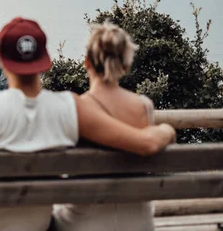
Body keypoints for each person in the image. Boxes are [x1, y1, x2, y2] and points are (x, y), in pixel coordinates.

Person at [0, 17, 175, 231]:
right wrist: (164, 129)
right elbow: (144, 143)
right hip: (36, 225)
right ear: (45, 61)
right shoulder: (70, 106)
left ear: (1, 60)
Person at [52, 22, 160, 231]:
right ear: (126, 66)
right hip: (138, 223)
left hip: (84, 223)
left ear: (87, 63)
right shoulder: (144, 107)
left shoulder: (76, 108)